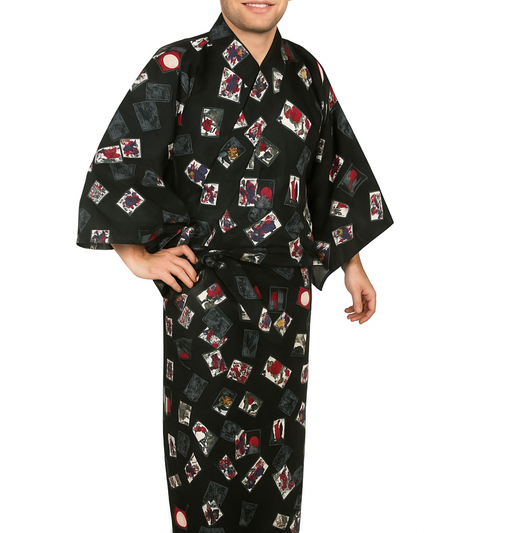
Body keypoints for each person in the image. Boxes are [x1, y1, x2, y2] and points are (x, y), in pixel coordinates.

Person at [76, 1, 393, 531]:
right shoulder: (180, 64)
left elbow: (331, 169)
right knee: (203, 463)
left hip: (286, 304)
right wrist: (139, 258)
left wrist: (352, 264)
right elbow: (121, 160)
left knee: (278, 461)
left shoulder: (307, 73)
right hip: (206, 298)